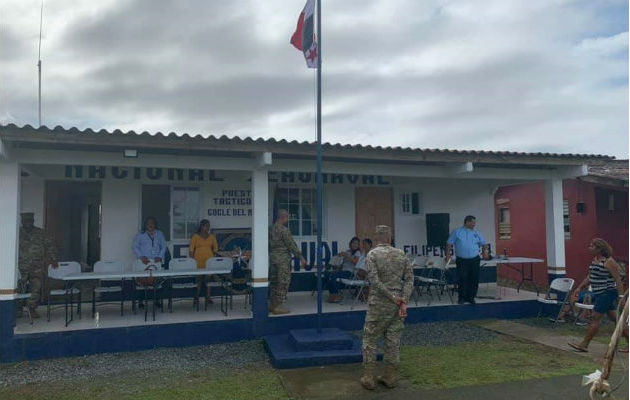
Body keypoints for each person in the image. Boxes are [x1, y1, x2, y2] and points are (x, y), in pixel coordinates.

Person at [360, 225, 414, 390]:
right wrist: (403, 300)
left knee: (370, 339)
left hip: (379, 304)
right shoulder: (401, 254)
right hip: (397, 306)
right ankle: (390, 376)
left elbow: (374, 281)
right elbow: (410, 279)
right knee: (393, 340)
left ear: (376, 238)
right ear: (390, 238)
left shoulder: (372, 254)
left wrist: (392, 297)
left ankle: (369, 377)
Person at [569, 239, 628, 352]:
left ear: (600, 249)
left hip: (607, 293)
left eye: (592, 246)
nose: (589, 247)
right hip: (599, 293)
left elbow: (618, 280)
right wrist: (579, 287)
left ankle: (584, 345)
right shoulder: (595, 260)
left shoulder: (609, 262)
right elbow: (590, 277)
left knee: (595, 318)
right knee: (616, 319)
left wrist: (621, 298)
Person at [18, 211, 59, 318]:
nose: (28, 222)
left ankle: (31, 308)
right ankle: (18, 309)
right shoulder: (17, 233)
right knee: (19, 288)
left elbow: (50, 245)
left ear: (33, 221)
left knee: (36, 287)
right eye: (26, 220)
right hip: (20, 266)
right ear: (22, 221)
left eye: (30, 220)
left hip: (37, 266)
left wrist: (54, 259)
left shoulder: (40, 233)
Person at [268, 209, 306, 315]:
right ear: (283, 217)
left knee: (274, 282)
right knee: (283, 282)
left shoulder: (270, 229)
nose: (287, 219)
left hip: (272, 259)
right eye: (287, 217)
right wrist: (301, 257)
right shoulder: (284, 230)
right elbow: (291, 245)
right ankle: (279, 306)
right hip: (283, 260)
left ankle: (273, 304)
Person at [445, 215, 488, 305]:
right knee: (462, 278)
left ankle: (471, 297)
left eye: (474, 222)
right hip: (462, 260)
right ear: (467, 222)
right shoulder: (457, 232)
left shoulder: (477, 233)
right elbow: (449, 244)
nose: (474, 224)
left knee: (474, 279)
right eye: (473, 222)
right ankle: (462, 298)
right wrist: (448, 256)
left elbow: (484, 244)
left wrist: (485, 253)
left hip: (474, 259)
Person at [189, 219, 219, 306]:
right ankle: (196, 298)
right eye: (206, 226)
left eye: (209, 226)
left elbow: (215, 249)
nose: (208, 228)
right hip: (198, 261)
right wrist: (192, 261)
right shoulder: (195, 236)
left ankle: (208, 297)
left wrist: (213, 258)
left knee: (208, 280)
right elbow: (191, 250)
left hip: (209, 262)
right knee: (198, 280)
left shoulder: (212, 237)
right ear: (201, 226)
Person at [327, 237, 361, 303]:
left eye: (356, 243)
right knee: (329, 275)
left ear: (358, 245)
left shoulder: (357, 253)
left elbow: (356, 262)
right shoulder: (348, 251)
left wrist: (347, 256)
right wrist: (339, 257)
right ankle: (333, 295)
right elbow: (343, 264)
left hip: (350, 273)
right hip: (343, 271)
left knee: (333, 276)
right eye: (353, 243)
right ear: (350, 244)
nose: (354, 245)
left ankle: (336, 295)